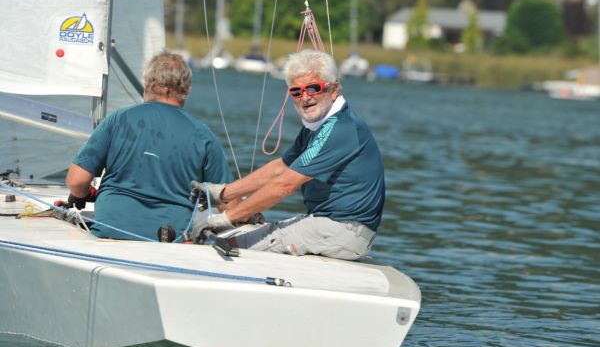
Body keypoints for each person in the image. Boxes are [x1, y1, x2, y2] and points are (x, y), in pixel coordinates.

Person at [191, 49, 385, 260]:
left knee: (236, 246)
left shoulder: (340, 129)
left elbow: (285, 185)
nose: (305, 97)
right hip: (329, 226)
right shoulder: (318, 126)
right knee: (245, 235)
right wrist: (222, 193)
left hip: (343, 231)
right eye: (296, 92)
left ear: (334, 89)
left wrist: (226, 219)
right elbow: (280, 168)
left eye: (313, 88)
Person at [66, 51, 233, 240]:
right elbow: (229, 202)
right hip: (167, 240)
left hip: (109, 231)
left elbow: (77, 181)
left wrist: (83, 194)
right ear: (187, 89)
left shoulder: (118, 120)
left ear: (146, 84)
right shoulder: (204, 136)